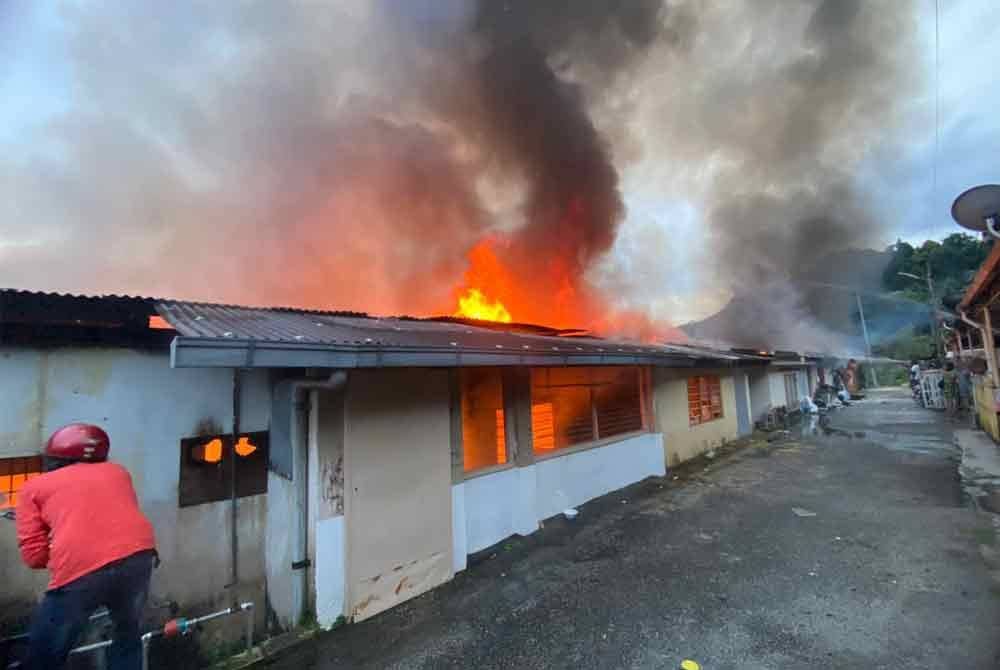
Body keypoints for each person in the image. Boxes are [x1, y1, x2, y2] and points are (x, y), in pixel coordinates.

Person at [16, 424, 157, 670]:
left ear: (51, 458)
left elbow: (34, 556)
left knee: (45, 652)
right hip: (139, 558)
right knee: (127, 636)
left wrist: (57, 544)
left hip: (81, 569)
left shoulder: (33, 488)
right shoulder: (119, 472)